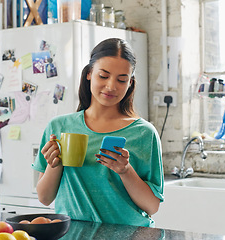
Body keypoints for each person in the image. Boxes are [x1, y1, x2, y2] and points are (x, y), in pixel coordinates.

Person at [32, 38, 164, 227]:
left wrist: (125, 171)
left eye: (121, 80)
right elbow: (44, 198)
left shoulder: (144, 133)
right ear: (89, 74)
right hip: (74, 234)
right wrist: (55, 164)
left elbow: (152, 206)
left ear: (130, 83)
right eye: (103, 76)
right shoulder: (59, 127)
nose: (111, 86)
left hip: (129, 235)